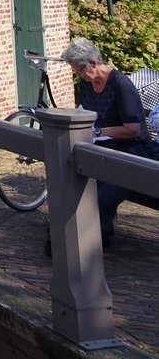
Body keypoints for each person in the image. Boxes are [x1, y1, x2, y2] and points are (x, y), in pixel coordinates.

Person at [61, 36, 159, 241]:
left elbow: (133, 129)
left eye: (80, 70)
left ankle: (88, 231)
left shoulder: (121, 84)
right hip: (103, 145)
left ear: (94, 63)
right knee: (77, 164)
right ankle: (83, 227)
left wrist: (100, 132)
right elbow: (85, 112)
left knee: (114, 175)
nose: (79, 75)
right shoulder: (87, 84)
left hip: (133, 146)